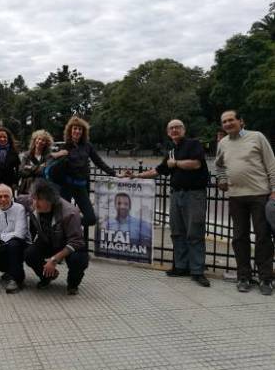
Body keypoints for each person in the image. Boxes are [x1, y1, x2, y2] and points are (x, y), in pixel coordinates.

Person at [128, 119, 210, 287]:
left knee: (194, 232)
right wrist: (136, 176)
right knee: (177, 232)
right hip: (176, 195)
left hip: (193, 195)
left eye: (177, 127)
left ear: (184, 129)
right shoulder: (172, 151)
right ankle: (181, 266)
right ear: (167, 132)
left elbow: (196, 164)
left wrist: (176, 164)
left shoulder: (193, 144)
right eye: (171, 128)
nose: (174, 130)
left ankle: (197, 271)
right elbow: (158, 170)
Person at [216, 110, 275, 295]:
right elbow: (219, 166)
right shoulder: (223, 143)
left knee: (263, 237)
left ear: (241, 121)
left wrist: (274, 189)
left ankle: (266, 278)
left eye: (231, 120)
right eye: (224, 121)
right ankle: (244, 276)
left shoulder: (257, 137)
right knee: (239, 237)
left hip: (260, 194)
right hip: (236, 196)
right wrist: (222, 180)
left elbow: (271, 164)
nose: (227, 124)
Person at [18, 179, 89, 295]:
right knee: (29, 254)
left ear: (51, 200)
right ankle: (47, 276)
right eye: (34, 198)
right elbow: (16, 199)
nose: (35, 203)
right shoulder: (31, 201)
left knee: (78, 260)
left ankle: (72, 284)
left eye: (40, 199)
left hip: (69, 243)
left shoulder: (69, 212)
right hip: (47, 240)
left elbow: (76, 241)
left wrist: (54, 259)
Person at [54, 116, 115, 226]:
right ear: (70, 130)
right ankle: (67, 237)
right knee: (61, 218)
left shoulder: (87, 146)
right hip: (66, 187)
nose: (77, 131)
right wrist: (58, 155)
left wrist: (115, 174)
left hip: (81, 187)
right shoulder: (64, 146)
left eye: (80, 129)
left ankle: (72, 225)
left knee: (91, 219)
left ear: (83, 132)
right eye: (75, 128)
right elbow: (53, 165)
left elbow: (99, 162)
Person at [18, 129, 53, 194]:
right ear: (34, 140)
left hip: (42, 189)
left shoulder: (48, 156)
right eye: (39, 139)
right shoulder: (27, 155)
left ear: (46, 143)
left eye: (43, 140)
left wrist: (29, 168)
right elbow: (21, 171)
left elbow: (45, 172)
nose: (40, 141)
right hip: (26, 189)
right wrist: (39, 167)